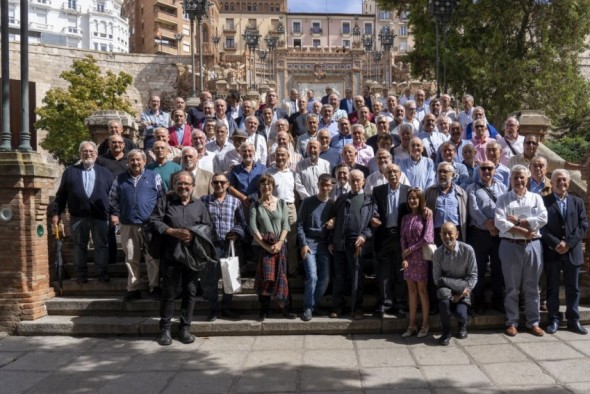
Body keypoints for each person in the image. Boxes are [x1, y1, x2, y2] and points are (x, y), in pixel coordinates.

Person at [150, 171, 215, 346]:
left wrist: (194, 235)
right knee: (169, 293)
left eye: (187, 184)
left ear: (193, 186)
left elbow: (208, 226)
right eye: (180, 183)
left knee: (190, 292)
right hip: (170, 255)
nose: (183, 187)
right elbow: (154, 221)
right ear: (174, 185)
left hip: (192, 257)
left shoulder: (199, 205)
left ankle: (185, 328)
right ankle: (164, 329)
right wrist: (171, 231)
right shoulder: (165, 201)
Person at [495, 165, 548, 337]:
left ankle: (533, 322)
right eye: (516, 177)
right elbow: (500, 223)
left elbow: (543, 218)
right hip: (510, 246)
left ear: (527, 180)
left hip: (532, 245)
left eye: (522, 178)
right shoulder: (503, 199)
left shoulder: (536, 198)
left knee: (532, 286)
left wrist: (519, 222)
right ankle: (512, 322)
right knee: (511, 287)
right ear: (511, 180)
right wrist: (524, 229)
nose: (519, 181)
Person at [52, 141, 114, 283]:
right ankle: (80, 274)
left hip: (100, 215)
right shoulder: (70, 171)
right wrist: (56, 213)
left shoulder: (105, 173)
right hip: (78, 216)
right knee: (79, 245)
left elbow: (114, 195)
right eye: (85, 151)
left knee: (101, 245)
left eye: (91, 151)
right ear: (80, 153)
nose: (88, 154)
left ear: (96, 154)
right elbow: (61, 195)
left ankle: (102, 273)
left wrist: (114, 213)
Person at [109, 149, 164, 301]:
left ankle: (154, 287)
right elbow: (112, 198)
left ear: (144, 161)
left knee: (152, 258)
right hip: (128, 224)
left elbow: (161, 199)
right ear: (128, 161)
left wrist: (156, 218)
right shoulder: (120, 179)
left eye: (138, 159)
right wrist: (119, 213)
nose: (135, 162)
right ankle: (133, 289)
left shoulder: (154, 177)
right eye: (132, 159)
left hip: (149, 225)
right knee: (131, 257)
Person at [542, 170, 588, 335]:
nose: (562, 183)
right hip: (552, 252)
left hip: (572, 252)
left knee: (573, 288)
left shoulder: (577, 202)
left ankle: (573, 320)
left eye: (565, 180)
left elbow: (583, 225)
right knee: (552, 288)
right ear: (552, 183)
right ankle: (554, 319)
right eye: (558, 180)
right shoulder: (544, 201)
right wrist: (556, 243)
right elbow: (541, 227)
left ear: (569, 183)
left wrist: (568, 243)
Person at [201, 172, 247, 321]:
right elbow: (198, 221)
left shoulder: (235, 202)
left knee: (229, 278)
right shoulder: (204, 201)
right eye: (215, 182)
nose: (219, 185)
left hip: (229, 245)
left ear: (227, 184)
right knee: (211, 279)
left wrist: (236, 233)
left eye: (222, 182)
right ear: (212, 184)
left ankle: (226, 307)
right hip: (211, 246)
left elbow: (242, 223)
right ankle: (213, 309)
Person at [250, 174, 294, 320]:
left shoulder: (281, 203)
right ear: (259, 187)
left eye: (269, 184)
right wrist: (266, 246)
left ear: (273, 186)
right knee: (265, 278)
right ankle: (264, 310)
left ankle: (286, 308)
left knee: (282, 276)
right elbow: (253, 228)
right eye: (263, 184)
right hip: (263, 247)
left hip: (281, 245)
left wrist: (280, 243)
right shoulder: (255, 205)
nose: (266, 187)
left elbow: (286, 225)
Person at [329, 169, 373, 320]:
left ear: (363, 181)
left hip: (357, 245)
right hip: (339, 243)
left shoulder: (369, 200)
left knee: (356, 277)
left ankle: (357, 309)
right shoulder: (341, 199)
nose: (355, 183)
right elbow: (333, 219)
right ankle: (337, 307)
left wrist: (364, 235)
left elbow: (372, 224)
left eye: (357, 180)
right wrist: (330, 241)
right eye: (352, 180)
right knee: (339, 277)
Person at [371, 164, 411, 318]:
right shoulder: (378, 191)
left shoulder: (408, 191)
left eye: (395, 171)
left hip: (402, 237)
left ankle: (400, 304)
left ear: (400, 174)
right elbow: (373, 208)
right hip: (384, 235)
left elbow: (416, 208)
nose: (393, 174)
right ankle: (385, 303)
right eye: (389, 172)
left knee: (401, 271)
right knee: (384, 272)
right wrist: (373, 217)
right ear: (385, 175)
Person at [466, 160, 507, 314]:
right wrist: (487, 224)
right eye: (483, 168)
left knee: (498, 268)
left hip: (498, 233)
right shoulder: (472, 188)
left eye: (489, 168)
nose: (486, 171)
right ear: (479, 170)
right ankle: (479, 301)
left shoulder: (502, 187)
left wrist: (496, 225)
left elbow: (505, 207)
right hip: (479, 234)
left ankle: (498, 300)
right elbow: (473, 209)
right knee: (479, 269)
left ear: (494, 170)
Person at [297, 174, 336, 321]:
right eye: (322, 185)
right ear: (318, 185)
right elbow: (299, 224)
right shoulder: (308, 202)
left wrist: (334, 220)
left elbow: (335, 225)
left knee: (325, 278)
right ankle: (308, 307)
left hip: (324, 244)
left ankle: (313, 305)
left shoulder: (332, 204)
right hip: (309, 243)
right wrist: (303, 244)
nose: (325, 188)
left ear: (332, 186)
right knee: (312, 276)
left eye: (328, 185)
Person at [433, 222, 478, 346]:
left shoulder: (468, 250)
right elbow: (437, 279)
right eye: (444, 233)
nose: (447, 236)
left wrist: (464, 290)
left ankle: (463, 325)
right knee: (442, 294)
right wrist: (454, 288)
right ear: (440, 235)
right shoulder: (437, 253)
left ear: (457, 234)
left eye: (450, 233)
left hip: (464, 290)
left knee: (460, 313)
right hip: (447, 290)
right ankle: (446, 332)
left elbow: (473, 276)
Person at [400, 187, 434, 338]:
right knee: (411, 292)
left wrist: (410, 250)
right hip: (409, 258)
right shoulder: (406, 218)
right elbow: (402, 238)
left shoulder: (426, 216)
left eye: (415, 198)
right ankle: (412, 324)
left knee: (422, 291)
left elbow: (428, 238)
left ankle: (425, 324)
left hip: (421, 257)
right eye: (410, 198)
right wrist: (404, 256)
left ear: (420, 200)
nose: (412, 200)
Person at [265, 146, 299, 276]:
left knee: (291, 240)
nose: (280, 158)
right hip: (274, 208)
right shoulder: (268, 173)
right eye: (277, 155)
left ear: (288, 157)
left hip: (290, 207)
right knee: (275, 239)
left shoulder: (293, 173)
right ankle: (277, 269)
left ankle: (292, 269)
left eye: (282, 155)